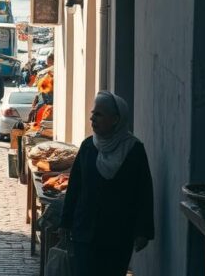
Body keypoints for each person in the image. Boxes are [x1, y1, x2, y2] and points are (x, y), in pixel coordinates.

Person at [61, 91, 154, 276]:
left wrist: (143, 231)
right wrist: (65, 222)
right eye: (93, 113)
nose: (92, 118)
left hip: (117, 235)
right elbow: (75, 187)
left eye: (99, 114)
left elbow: (143, 192)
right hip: (85, 232)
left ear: (115, 120)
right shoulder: (88, 146)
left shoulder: (133, 150)